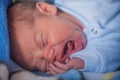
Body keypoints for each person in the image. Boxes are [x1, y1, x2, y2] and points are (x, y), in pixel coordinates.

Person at [7, 0, 120, 75]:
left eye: (43, 42)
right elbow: (110, 55)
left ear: (46, 9)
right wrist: (81, 62)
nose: (49, 56)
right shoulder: (90, 52)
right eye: (42, 63)